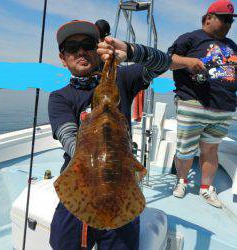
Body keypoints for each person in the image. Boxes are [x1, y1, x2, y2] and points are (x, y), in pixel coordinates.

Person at [48, 20, 171, 250]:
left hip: (122, 186)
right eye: (72, 48)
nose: (81, 51)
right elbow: (68, 136)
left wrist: (132, 51)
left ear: (98, 49)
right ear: (63, 59)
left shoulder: (122, 79)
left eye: (87, 45)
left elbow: (165, 62)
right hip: (79, 183)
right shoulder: (60, 97)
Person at [168, 0, 237, 208]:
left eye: (231, 21)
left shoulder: (232, 46)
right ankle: (182, 180)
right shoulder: (190, 38)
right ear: (208, 18)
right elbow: (167, 60)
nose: (229, 24)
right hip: (193, 103)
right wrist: (188, 62)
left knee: (210, 151)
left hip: (223, 108)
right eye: (224, 19)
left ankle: (206, 188)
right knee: (185, 151)